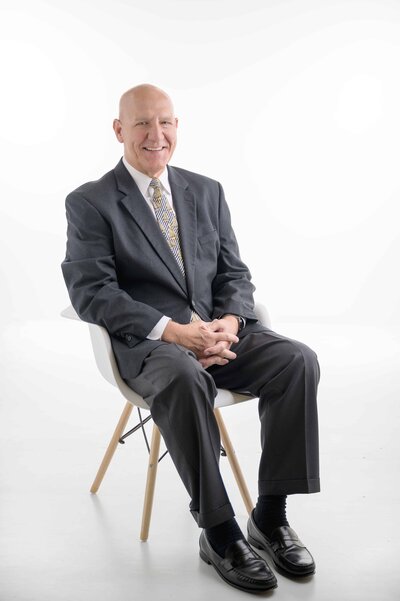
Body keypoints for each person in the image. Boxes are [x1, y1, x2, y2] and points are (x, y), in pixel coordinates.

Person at [61, 83, 321, 594]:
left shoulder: (206, 190)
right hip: (149, 346)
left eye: (166, 122)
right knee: (183, 377)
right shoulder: (90, 202)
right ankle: (220, 531)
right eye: (141, 123)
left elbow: (234, 274)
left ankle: (269, 515)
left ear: (177, 127)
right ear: (119, 130)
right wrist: (174, 333)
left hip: (215, 335)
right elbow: (92, 291)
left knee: (298, 361)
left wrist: (230, 322)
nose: (156, 135)